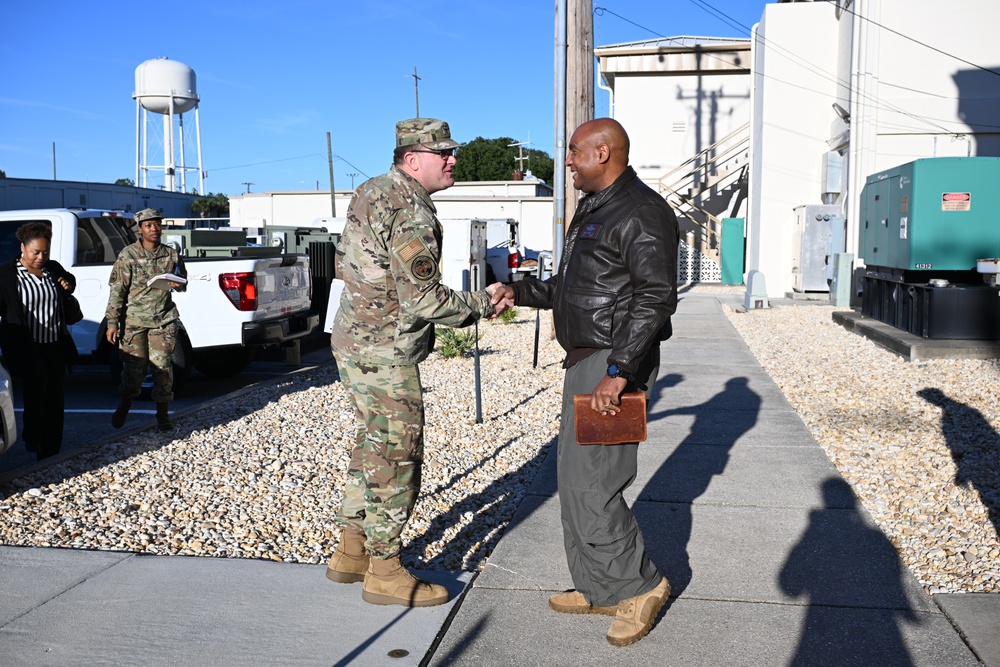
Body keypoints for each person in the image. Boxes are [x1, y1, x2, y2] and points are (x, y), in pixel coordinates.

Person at [491, 118, 679, 646]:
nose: (567, 160)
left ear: (603, 153)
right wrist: (519, 292)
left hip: (610, 366)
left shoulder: (641, 212)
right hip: (587, 362)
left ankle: (641, 587)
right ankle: (600, 587)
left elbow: (655, 295)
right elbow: (574, 286)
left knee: (596, 481)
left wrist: (620, 372)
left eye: (574, 152)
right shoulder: (597, 209)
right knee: (574, 481)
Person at [326, 117, 508, 607]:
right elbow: (424, 299)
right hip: (385, 351)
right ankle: (384, 570)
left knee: (372, 445)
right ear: (412, 159)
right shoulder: (410, 209)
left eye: (452, 152)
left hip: (355, 340)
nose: (453, 160)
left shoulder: (372, 190)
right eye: (443, 153)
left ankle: (351, 550)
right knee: (398, 457)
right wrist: (482, 304)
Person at [0, 222, 79, 460]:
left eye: (45, 252)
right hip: (26, 344)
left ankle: (51, 448)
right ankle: (34, 438)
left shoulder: (52, 268)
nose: (41, 257)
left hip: (54, 343)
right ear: (23, 247)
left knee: (55, 394)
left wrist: (67, 284)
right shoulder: (5, 274)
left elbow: (69, 281)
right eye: (36, 252)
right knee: (38, 385)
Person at [105, 208, 187, 431]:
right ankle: (125, 403)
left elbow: (183, 282)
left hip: (163, 319)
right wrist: (112, 322)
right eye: (148, 225)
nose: (154, 229)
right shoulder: (128, 255)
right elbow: (117, 291)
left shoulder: (171, 254)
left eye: (157, 224)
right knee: (135, 370)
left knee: (163, 368)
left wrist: (177, 284)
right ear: (139, 229)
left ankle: (162, 415)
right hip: (134, 321)